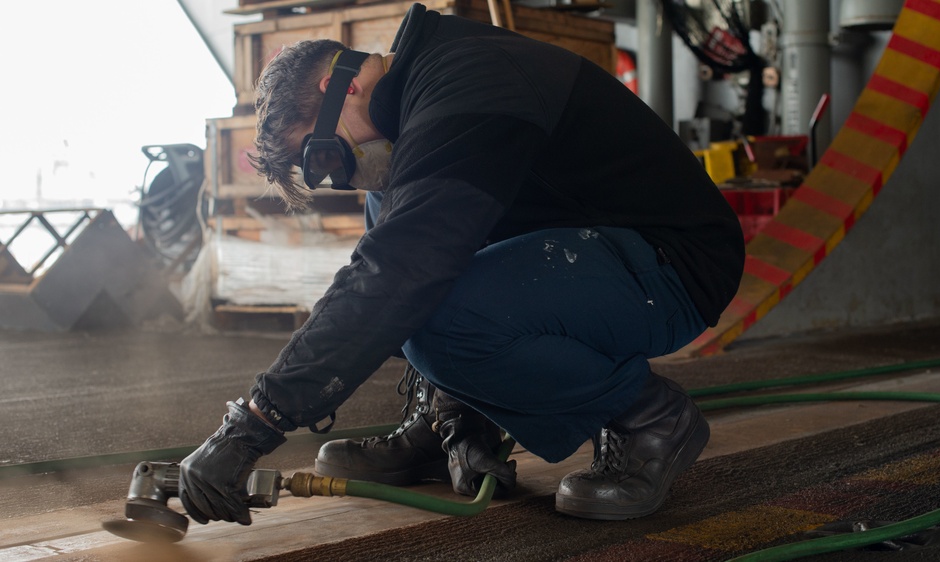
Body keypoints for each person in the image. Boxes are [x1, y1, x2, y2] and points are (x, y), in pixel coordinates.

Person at [178, 2, 745, 525]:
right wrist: (460, 422)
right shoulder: (417, 119)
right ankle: (441, 426)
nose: (340, 176)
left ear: (337, 87)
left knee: (436, 313)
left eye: (323, 155)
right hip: (597, 256)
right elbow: (403, 275)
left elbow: (402, 275)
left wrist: (253, 426)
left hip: (673, 264)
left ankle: (649, 418)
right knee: (400, 241)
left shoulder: (467, 79)